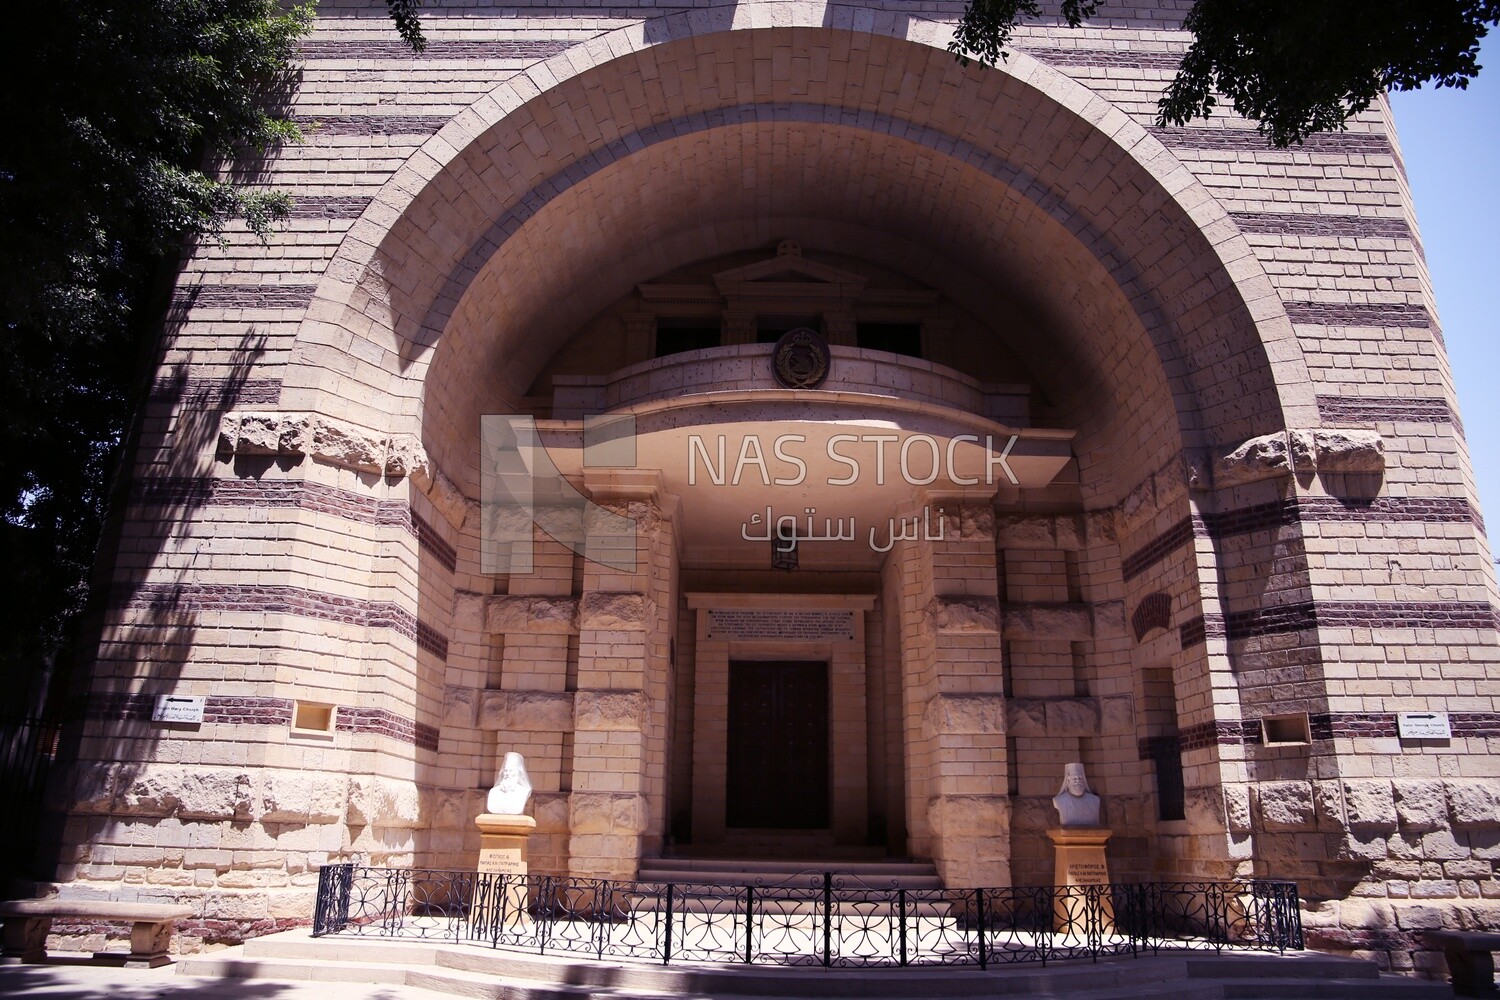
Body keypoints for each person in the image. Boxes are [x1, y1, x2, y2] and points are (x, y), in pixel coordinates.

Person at [1052, 762, 1102, 827]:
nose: (1078, 780)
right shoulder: (1059, 800)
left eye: (1080, 778)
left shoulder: (1095, 800)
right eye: (1074, 778)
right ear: (1068, 780)